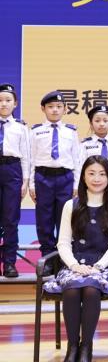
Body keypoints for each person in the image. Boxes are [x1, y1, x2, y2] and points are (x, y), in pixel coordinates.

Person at [43, 155, 108, 362]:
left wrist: (98, 266)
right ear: (83, 177)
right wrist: (73, 265)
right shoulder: (71, 205)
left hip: (105, 266)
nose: (97, 178)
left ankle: (86, 346)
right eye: (91, 173)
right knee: (71, 290)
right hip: (75, 264)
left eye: (102, 174)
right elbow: (63, 242)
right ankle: (73, 346)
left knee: (90, 289)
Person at [30, 90, 80, 275]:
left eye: (59, 107)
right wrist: (32, 184)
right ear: (43, 109)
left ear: (65, 109)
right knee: (44, 221)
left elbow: (77, 159)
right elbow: (31, 159)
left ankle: (64, 260)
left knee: (65, 220)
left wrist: (76, 184)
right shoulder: (36, 131)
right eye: (50, 107)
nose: (55, 110)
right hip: (43, 178)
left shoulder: (70, 131)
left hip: (65, 178)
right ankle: (48, 260)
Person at [0, 83, 30, 278]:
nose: (3, 104)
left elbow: (25, 155)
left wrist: (25, 180)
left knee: (11, 220)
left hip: (12, 170)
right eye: (0, 100)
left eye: (8, 100)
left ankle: (9, 263)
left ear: (15, 103)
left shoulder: (20, 127)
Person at [79, 105, 108, 194]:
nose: (101, 124)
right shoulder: (85, 144)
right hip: (92, 180)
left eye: (105, 120)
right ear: (91, 124)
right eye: (97, 121)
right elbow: (81, 166)